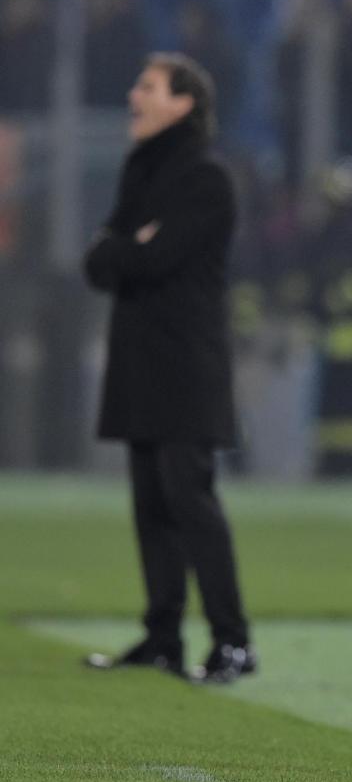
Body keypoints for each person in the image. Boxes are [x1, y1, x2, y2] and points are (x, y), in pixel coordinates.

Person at [82, 53, 256, 684]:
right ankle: (162, 638)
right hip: (140, 362)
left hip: (186, 365)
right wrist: (130, 246)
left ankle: (233, 642)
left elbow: (150, 261)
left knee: (191, 502)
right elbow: (98, 264)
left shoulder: (207, 177)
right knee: (151, 506)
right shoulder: (141, 168)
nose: (134, 95)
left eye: (148, 86)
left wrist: (125, 249)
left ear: (183, 103)